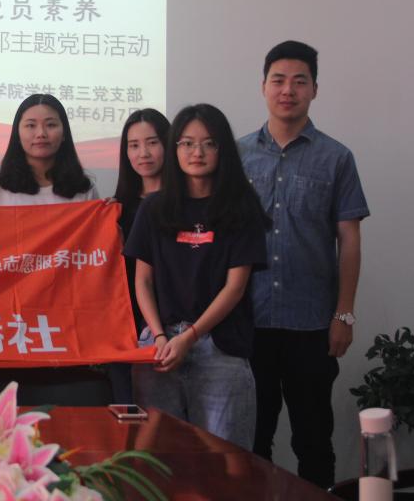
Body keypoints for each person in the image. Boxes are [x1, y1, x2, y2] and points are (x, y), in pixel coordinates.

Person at [238, 41, 369, 487]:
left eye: (299, 81)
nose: (287, 90)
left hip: (312, 323)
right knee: (253, 439)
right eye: (278, 80)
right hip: (249, 321)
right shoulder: (237, 155)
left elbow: (349, 240)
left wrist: (344, 314)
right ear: (263, 86)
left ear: (314, 89)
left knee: (313, 439)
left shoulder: (336, 157)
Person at [126, 103, 269, 446]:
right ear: (175, 148)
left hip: (220, 346)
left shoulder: (241, 207)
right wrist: (159, 335)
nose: (197, 153)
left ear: (223, 149)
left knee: (224, 459)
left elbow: (235, 287)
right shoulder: (153, 207)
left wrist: (190, 337)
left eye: (209, 143)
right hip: (159, 347)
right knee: (159, 456)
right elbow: (142, 280)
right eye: (187, 143)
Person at [108, 108, 171, 402]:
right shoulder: (115, 210)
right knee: (132, 413)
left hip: (176, 324)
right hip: (126, 327)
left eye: (152, 143)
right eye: (133, 145)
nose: (143, 153)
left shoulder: (189, 204)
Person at [0, 93, 99, 206]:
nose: (41, 134)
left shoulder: (83, 187)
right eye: (31, 125)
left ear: (64, 133)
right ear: (17, 134)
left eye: (51, 125)